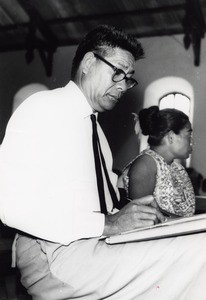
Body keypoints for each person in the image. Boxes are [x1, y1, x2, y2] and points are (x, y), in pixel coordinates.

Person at [0, 24, 206, 300]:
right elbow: (10, 207)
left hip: (94, 244)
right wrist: (109, 224)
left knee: (191, 242)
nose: (122, 86)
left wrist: (135, 210)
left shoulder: (95, 129)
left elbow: (102, 200)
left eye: (129, 78)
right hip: (54, 254)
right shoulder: (43, 107)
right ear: (87, 63)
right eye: (117, 72)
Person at [119, 106, 196, 218]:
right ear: (171, 137)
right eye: (189, 135)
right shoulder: (146, 164)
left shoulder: (177, 167)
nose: (192, 142)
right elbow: (144, 215)